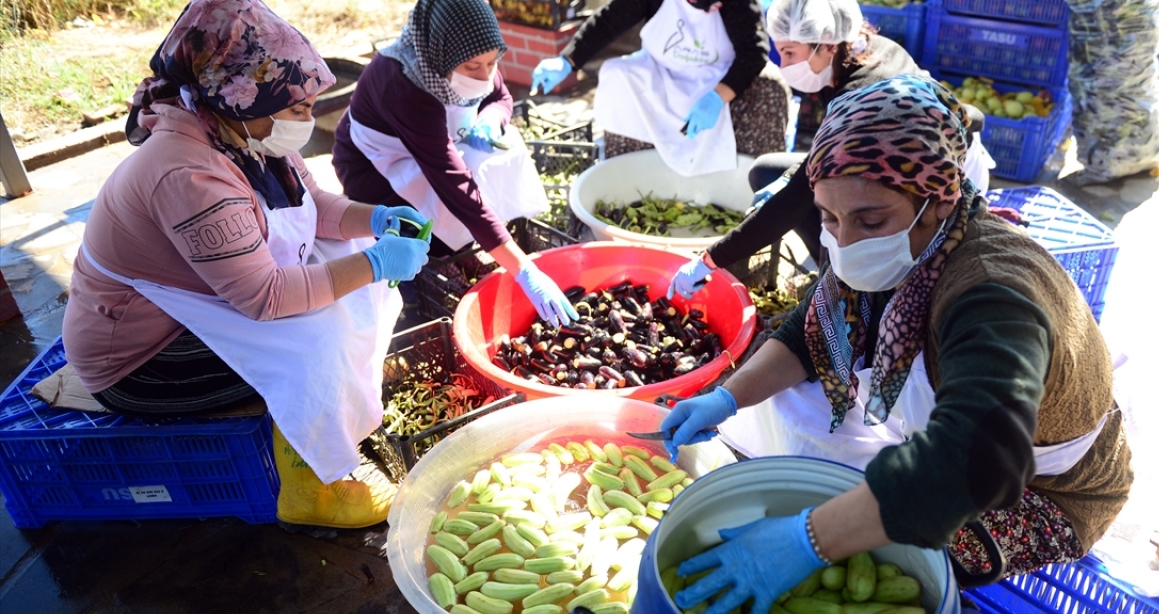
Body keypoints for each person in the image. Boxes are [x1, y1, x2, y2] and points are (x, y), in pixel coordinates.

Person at [661, 76, 1134, 614]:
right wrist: (725, 396)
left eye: (870, 220)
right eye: (828, 219)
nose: (844, 241)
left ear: (938, 201)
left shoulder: (993, 297)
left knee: (893, 552)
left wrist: (807, 540)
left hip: (1047, 490)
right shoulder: (896, 252)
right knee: (796, 413)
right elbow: (807, 335)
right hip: (939, 430)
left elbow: (975, 462)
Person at [62, 0, 430, 530]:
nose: (308, 115)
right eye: (296, 105)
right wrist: (375, 264)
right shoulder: (188, 174)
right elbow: (267, 299)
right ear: (237, 98)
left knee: (340, 279)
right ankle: (311, 491)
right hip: (142, 358)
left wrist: (375, 220)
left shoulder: (241, 133)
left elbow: (312, 204)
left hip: (199, 305)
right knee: (315, 338)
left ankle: (336, 422)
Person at [665, 0, 995, 299]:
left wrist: (712, 259)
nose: (784, 65)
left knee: (825, 209)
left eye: (791, 53)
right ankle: (834, 276)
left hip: (935, 181)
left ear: (826, 45)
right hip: (905, 159)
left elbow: (796, 194)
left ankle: (845, 288)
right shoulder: (859, 53)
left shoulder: (862, 96)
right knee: (767, 173)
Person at [331, 0, 578, 327]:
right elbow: (455, 185)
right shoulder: (404, 82)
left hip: (435, 148)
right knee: (416, 225)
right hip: (376, 166)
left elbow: (500, 98)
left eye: (492, 63)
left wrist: (491, 119)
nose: (485, 74)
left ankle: (464, 248)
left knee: (497, 154)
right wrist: (525, 270)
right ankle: (428, 274)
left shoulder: (474, 52)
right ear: (441, 55)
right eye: (474, 67)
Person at [530, 0, 789, 176]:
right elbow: (609, 20)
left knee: (770, 86)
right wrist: (568, 60)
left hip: (719, 79)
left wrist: (717, 98)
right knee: (617, 75)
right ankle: (633, 174)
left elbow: (754, 54)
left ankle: (745, 185)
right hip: (660, 71)